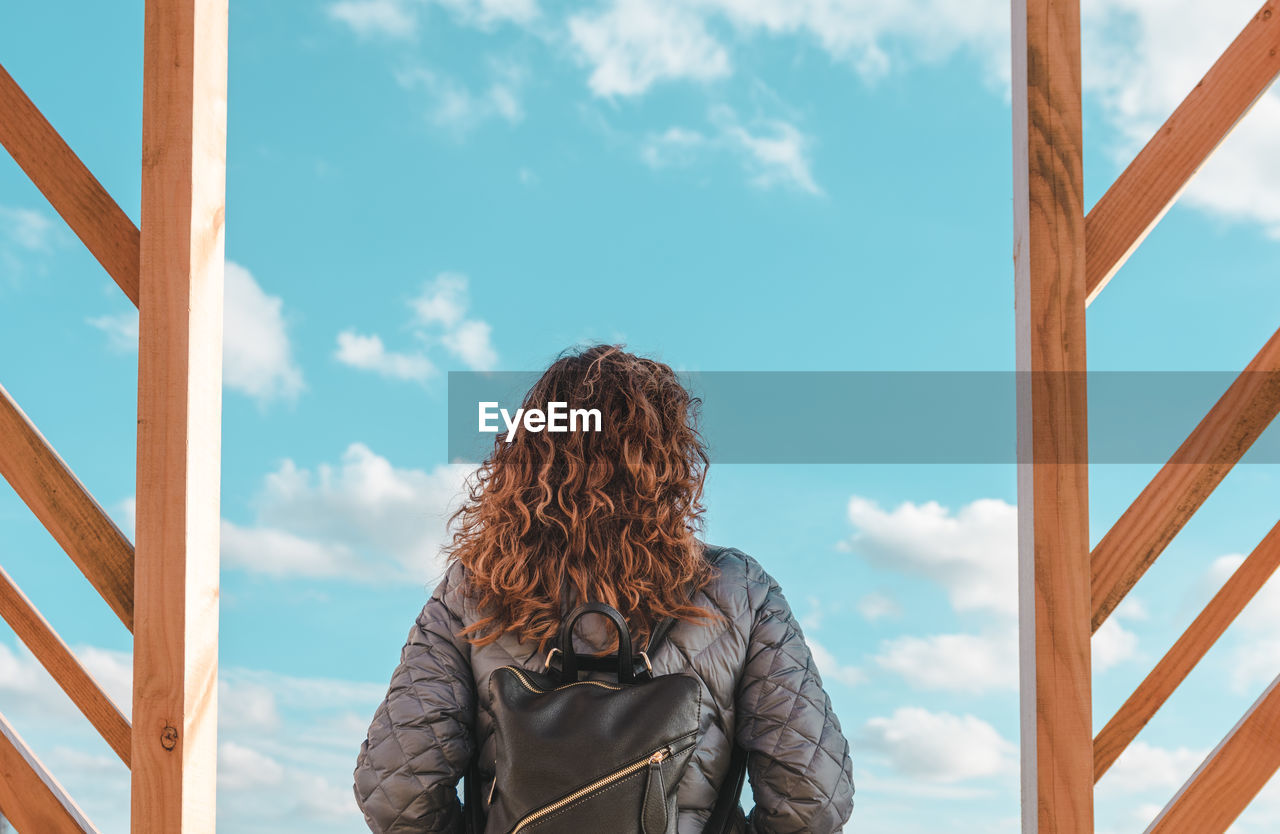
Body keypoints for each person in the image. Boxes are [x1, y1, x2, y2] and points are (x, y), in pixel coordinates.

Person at [353, 345, 855, 833]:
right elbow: (812, 800)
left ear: (528, 455)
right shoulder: (740, 592)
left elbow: (397, 791)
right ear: (669, 462)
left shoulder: (473, 589)